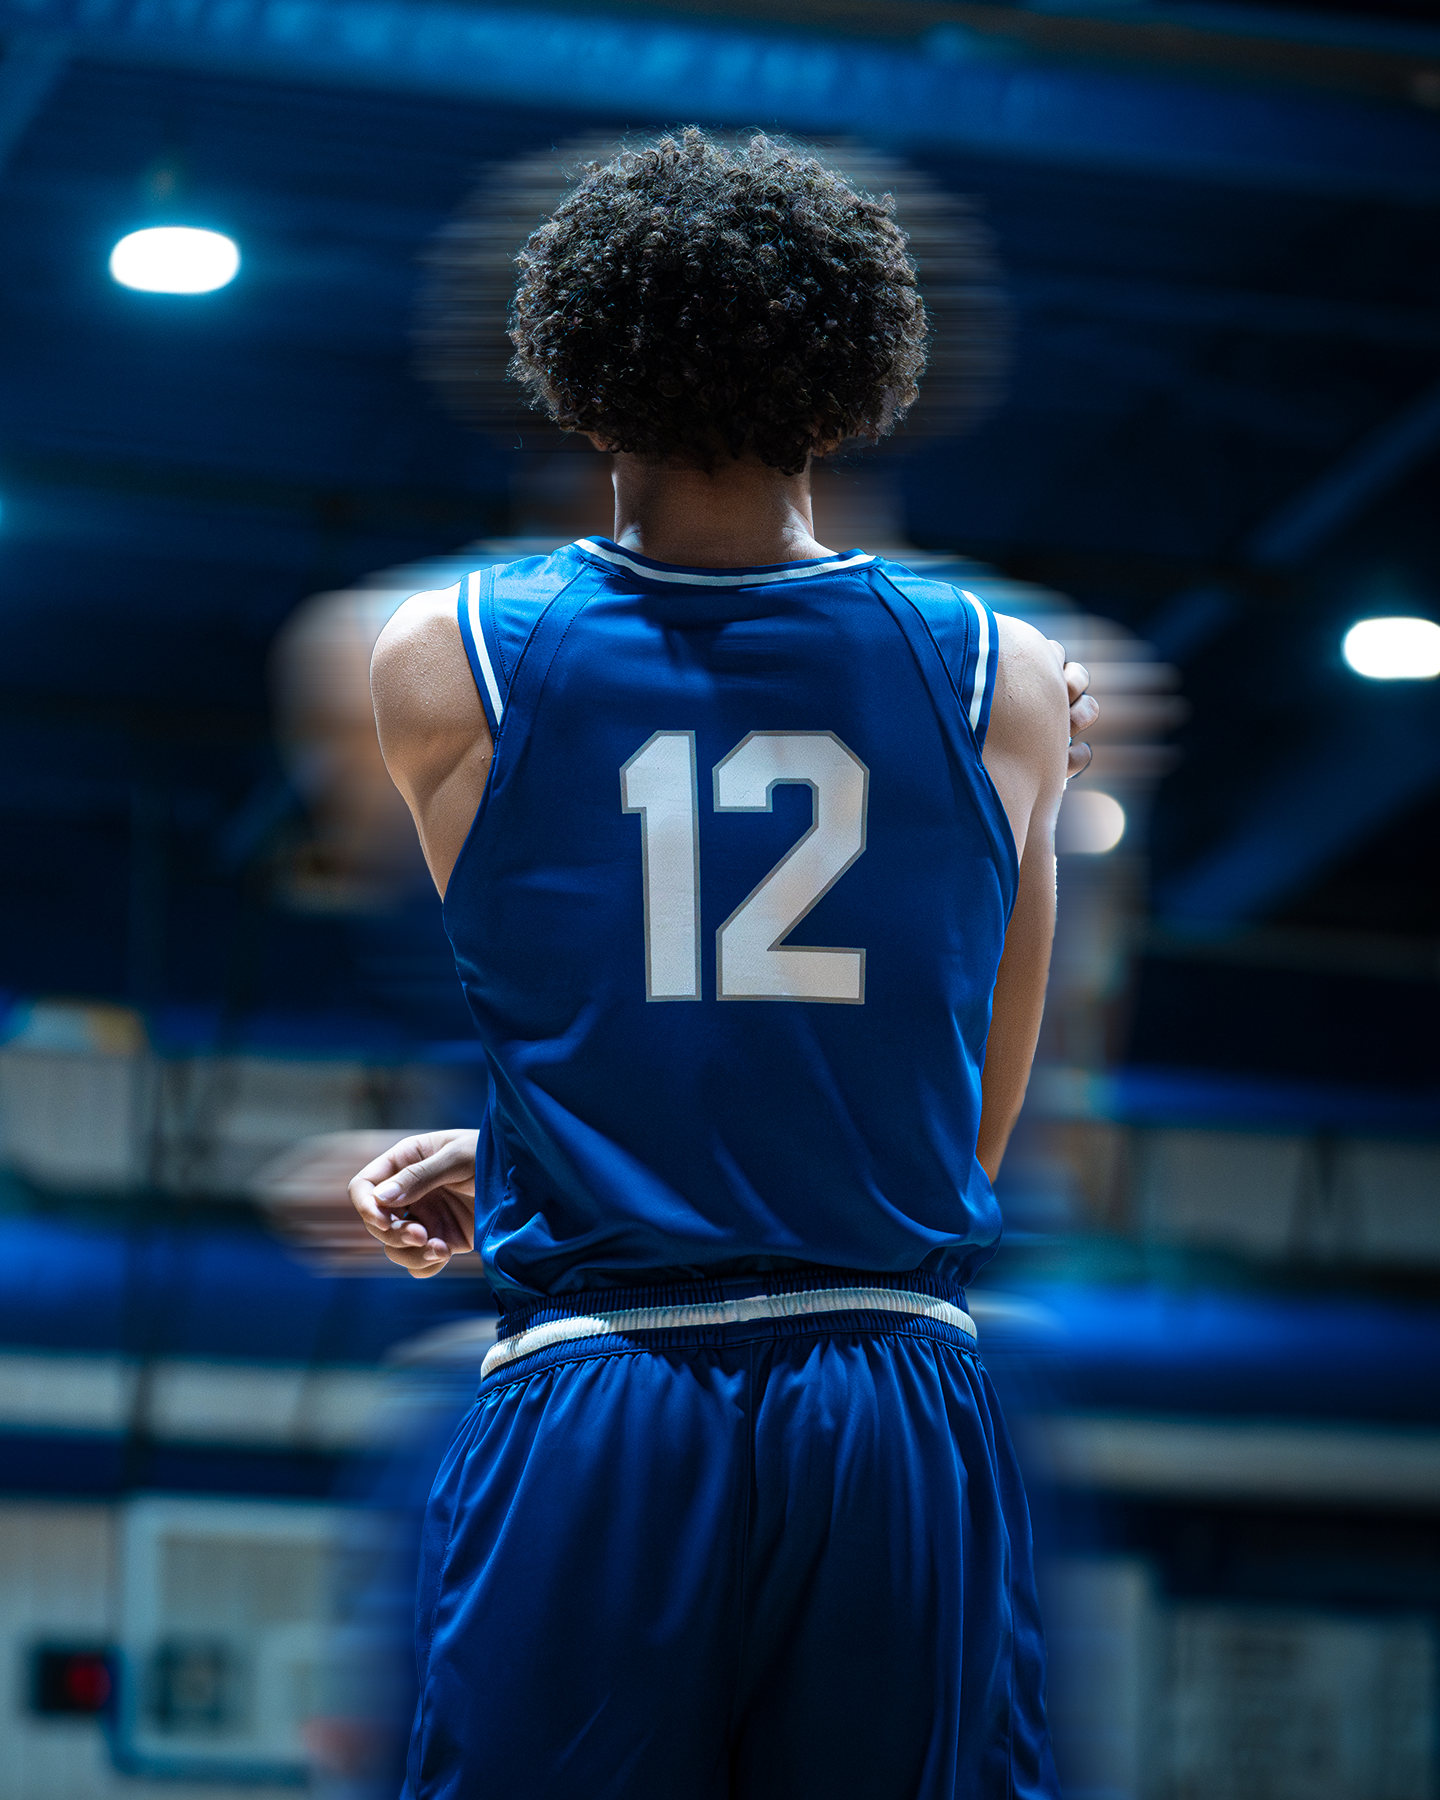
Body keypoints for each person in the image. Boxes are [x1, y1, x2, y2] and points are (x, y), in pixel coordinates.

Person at [349, 130, 1097, 1800]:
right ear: (850, 392)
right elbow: (955, 1114)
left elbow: (616, 985)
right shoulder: (1012, 678)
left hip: (598, 1392)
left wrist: (548, 1149)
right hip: (885, 1384)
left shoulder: (446, 664)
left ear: (584, 388)